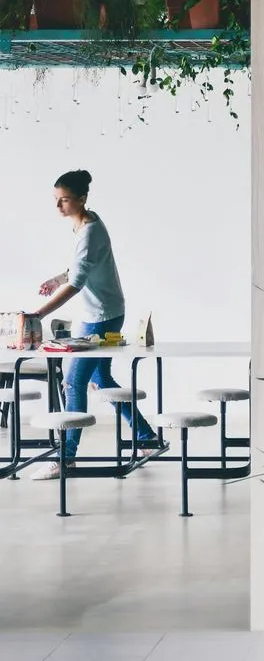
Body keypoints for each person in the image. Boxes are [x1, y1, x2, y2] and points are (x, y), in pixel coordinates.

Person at [25, 170, 158, 480]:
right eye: (56, 200)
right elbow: (79, 267)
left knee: (73, 382)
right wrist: (57, 278)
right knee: (100, 376)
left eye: (64, 200)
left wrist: (39, 315)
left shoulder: (90, 231)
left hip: (103, 316)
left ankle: (66, 458)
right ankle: (146, 437)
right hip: (99, 313)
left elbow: (77, 283)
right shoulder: (84, 223)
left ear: (82, 198)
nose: (58, 206)